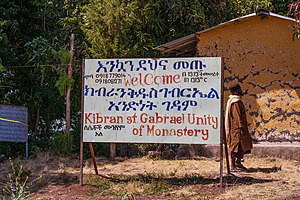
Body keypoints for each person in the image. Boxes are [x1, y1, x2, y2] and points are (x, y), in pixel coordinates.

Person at [225, 83, 253, 171]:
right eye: (239, 89)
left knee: (241, 146)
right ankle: (233, 166)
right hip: (237, 128)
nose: (241, 91)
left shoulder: (237, 101)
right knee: (235, 146)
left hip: (239, 127)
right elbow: (237, 117)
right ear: (236, 91)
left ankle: (238, 163)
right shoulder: (235, 102)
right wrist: (241, 127)